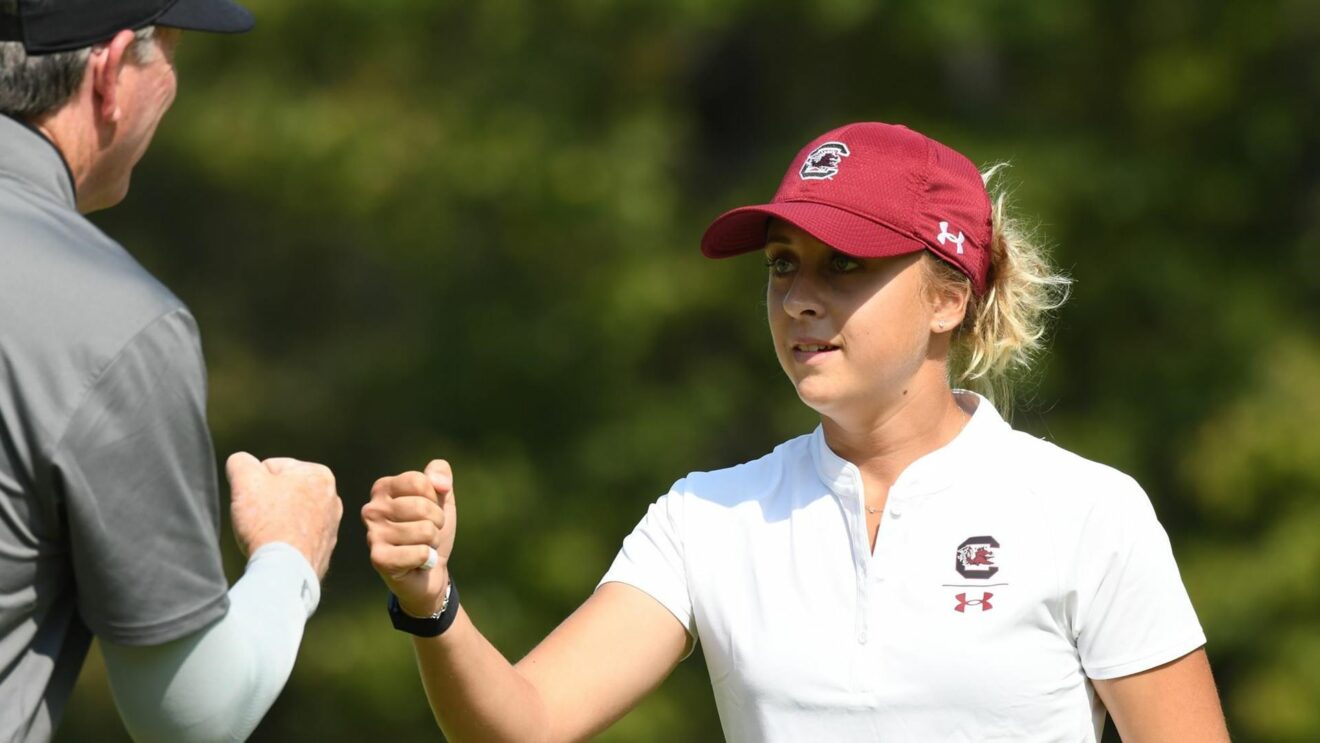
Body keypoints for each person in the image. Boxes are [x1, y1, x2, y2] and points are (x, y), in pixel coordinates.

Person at [361, 122, 1230, 741]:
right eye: (783, 265)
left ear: (948, 297)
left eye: (844, 265)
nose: (798, 297)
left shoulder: (1086, 511)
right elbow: (527, 722)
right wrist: (429, 603)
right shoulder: (708, 517)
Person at [0, 1, 343, 741]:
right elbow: (191, 713)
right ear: (112, 72)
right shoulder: (111, 321)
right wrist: (290, 552)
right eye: (171, 53)